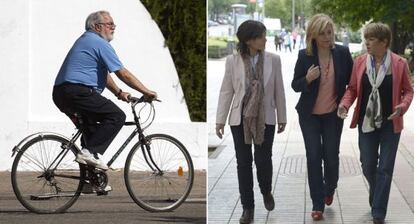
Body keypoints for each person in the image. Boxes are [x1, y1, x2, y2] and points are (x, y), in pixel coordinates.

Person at [53, 10, 157, 171]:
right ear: (96, 26)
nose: (113, 27)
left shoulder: (86, 40)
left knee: (92, 134)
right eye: (109, 24)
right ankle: (89, 152)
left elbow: (104, 75)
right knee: (117, 116)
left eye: (113, 24)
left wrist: (119, 93)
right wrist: (146, 91)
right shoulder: (98, 42)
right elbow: (123, 73)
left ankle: (89, 181)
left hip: (61, 94)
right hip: (78, 92)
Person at [338, 22, 413, 224]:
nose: (367, 42)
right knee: (368, 164)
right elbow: (352, 89)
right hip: (366, 121)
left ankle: (378, 212)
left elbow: (408, 91)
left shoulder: (399, 63)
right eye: (366, 38)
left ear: (384, 42)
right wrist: (344, 105)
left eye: (371, 39)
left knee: (385, 168)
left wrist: (402, 107)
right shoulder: (360, 62)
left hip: (390, 123)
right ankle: (377, 191)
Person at [216, 20, 287, 224]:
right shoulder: (232, 61)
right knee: (243, 163)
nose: (266, 39)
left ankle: (266, 190)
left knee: (263, 160)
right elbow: (226, 90)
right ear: (249, 40)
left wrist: (282, 117)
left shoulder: (273, 59)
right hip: (240, 118)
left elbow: (279, 90)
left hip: (266, 118)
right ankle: (248, 208)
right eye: (261, 36)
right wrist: (220, 121)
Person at [291, 14, 353, 221]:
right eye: (322, 33)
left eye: (330, 32)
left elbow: (352, 85)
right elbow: (295, 85)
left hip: (333, 116)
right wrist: (307, 79)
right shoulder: (304, 56)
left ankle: (330, 187)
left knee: (331, 156)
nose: (327, 37)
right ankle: (317, 203)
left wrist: (345, 105)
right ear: (313, 36)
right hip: (309, 116)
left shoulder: (343, 53)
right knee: (314, 155)